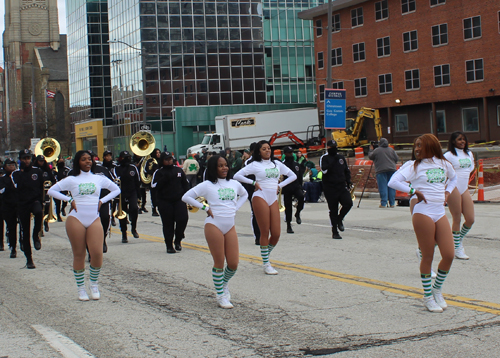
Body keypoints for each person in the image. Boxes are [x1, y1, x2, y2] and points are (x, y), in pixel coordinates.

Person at [388, 134, 457, 313]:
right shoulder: (413, 166)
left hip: (440, 212)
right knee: (428, 256)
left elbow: (454, 179)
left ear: (431, 146)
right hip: (423, 212)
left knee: (449, 255)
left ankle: (437, 290)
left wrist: (448, 192)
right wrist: (413, 190)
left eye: (420, 146)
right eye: (415, 146)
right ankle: (427, 297)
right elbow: (393, 181)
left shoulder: (444, 164)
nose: (417, 149)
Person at [48, 150, 120, 301]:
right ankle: (81, 288)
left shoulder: (98, 178)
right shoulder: (72, 179)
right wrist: (69, 200)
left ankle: (93, 284)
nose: (88, 162)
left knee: (97, 253)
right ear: (77, 162)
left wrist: (102, 201)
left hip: (94, 218)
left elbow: (116, 189)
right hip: (76, 219)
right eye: (84, 159)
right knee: (79, 254)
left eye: (90, 159)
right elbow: (52, 190)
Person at [182, 155, 248, 309]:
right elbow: (186, 196)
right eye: (220, 166)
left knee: (233, 264)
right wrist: (205, 208)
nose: (224, 168)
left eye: (226, 165)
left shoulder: (234, 183)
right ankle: (220, 295)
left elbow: (245, 194)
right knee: (219, 262)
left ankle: (223, 284)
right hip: (214, 225)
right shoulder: (207, 185)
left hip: (230, 225)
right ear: (213, 168)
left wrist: (236, 207)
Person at [234, 140, 297, 275]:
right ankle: (266, 263)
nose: (267, 150)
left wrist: (280, 186)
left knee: (276, 233)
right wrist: (253, 182)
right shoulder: (255, 165)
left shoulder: (277, 163)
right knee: (265, 232)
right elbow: (237, 175)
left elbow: (293, 176)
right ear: (258, 151)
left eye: (269, 148)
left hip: (273, 198)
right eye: (264, 149)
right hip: (260, 196)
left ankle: (264, 256)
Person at [444, 132, 475, 260]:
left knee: (470, 219)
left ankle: (457, 240)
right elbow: (444, 171)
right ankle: (457, 248)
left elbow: (471, 168)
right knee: (457, 218)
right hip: (453, 187)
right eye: (459, 139)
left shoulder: (469, 153)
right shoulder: (448, 155)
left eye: (464, 139)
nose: (462, 141)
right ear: (453, 141)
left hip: (464, 188)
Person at [12, 149, 45, 269]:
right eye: (24, 159)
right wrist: (22, 170)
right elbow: (17, 186)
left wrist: (42, 201)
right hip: (22, 203)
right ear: (20, 159)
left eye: (28, 158)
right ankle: (29, 259)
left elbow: (42, 186)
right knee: (24, 232)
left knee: (38, 212)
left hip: (34, 200)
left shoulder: (37, 171)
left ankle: (36, 235)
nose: (26, 161)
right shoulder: (16, 173)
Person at [152, 151, 190, 253]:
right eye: (166, 159)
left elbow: (185, 184)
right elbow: (153, 186)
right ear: (162, 161)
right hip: (165, 201)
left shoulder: (178, 170)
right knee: (168, 224)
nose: (169, 161)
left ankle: (178, 240)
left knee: (183, 219)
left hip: (179, 200)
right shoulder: (159, 172)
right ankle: (169, 245)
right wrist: (163, 179)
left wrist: (189, 196)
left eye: (170, 159)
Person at [319, 140, 353, 239]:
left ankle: (340, 219)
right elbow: (324, 170)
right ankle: (335, 231)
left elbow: (346, 170)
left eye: (335, 146)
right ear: (328, 148)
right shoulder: (324, 158)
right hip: (330, 187)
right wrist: (333, 160)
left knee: (348, 203)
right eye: (331, 147)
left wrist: (348, 181)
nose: (334, 149)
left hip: (341, 186)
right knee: (333, 209)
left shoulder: (341, 157)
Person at [112, 151, 141, 243]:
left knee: (134, 209)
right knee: (122, 213)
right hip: (121, 194)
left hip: (132, 192)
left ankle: (133, 228)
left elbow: (137, 181)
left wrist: (138, 195)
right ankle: (124, 233)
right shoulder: (116, 169)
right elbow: (115, 181)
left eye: (128, 157)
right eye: (124, 157)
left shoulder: (133, 168)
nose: (127, 159)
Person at [368, 138, 399, 208]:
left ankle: (383, 203)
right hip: (392, 170)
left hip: (381, 170)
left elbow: (371, 156)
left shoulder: (377, 150)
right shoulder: (391, 150)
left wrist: (370, 149)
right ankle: (392, 203)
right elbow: (397, 158)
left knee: (383, 186)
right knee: (391, 186)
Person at [241, 143, 261, 245]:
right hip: (252, 190)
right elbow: (243, 177)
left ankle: (264, 234)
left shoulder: (264, 161)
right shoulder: (248, 162)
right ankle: (258, 237)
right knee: (256, 213)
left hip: (264, 190)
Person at [281, 146, 305, 234]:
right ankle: (288, 225)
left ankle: (298, 213)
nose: (291, 154)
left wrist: (301, 186)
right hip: (287, 187)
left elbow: (300, 176)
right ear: (285, 154)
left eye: (291, 153)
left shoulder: (296, 164)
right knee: (288, 207)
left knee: (301, 197)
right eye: (289, 153)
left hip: (296, 186)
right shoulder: (282, 165)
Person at [33, 155, 56, 233]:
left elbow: (53, 180)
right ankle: (40, 227)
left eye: (43, 161)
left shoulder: (47, 170)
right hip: (38, 193)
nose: (41, 163)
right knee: (39, 211)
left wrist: (50, 185)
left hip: (46, 192)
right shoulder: (34, 170)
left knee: (47, 209)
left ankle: (46, 222)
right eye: (40, 161)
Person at [0, 159, 18, 257]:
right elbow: (2, 191)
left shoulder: (19, 176)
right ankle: (13, 247)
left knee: (20, 227)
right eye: (9, 165)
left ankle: (20, 243)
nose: (11, 167)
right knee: (11, 227)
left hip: (19, 205)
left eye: (13, 165)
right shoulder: (3, 179)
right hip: (8, 206)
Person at [101, 150, 118, 226]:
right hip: (105, 187)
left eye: (110, 156)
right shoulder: (101, 167)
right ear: (104, 157)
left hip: (113, 185)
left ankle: (113, 217)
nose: (109, 157)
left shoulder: (114, 166)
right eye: (107, 156)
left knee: (114, 203)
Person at [144, 148, 161, 216]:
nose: (158, 154)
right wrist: (154, 172)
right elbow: (146, 170)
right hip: (153, 180)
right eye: (157, 153)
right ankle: (154, 210)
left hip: (160, 180)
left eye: (159, 152)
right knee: (154, 196)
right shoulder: (150, 161)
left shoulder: (161, 160)